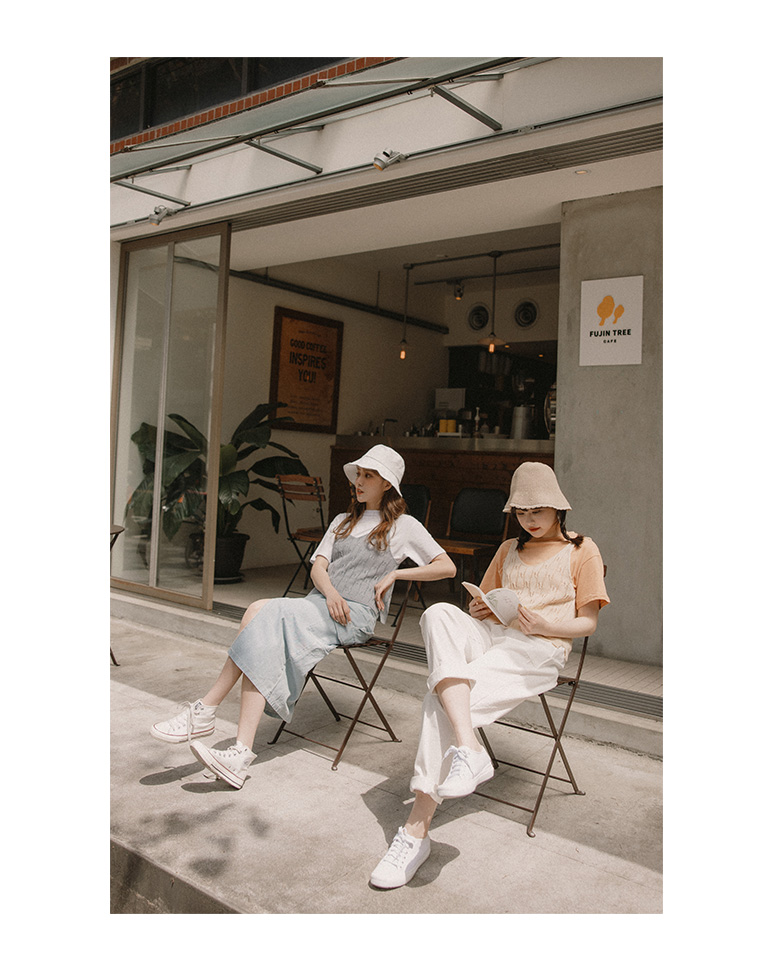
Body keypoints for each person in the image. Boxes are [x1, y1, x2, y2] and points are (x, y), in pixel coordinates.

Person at [150, 444, 455, 789]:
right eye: (358, 473)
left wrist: (397, 574)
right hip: (323, 603)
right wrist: (332, 593)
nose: (359, 481)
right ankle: (237, 749)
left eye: (369, 475)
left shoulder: (404, 526)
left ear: (387, 484)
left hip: (355, 615)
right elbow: (318, 568)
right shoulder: (342, 521)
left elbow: (446, 566)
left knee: (264, 614)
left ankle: (206, 713)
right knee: (257, 614)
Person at [369, 461, 609, 888]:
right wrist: (480, 609)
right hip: (493, 637)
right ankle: (469, 748)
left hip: (539, 649)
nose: (529, 520)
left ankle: (415, 832)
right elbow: (483, 603)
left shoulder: (582, 550)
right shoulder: (507, 549)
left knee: (440, 701)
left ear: (557, 508)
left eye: (537, 511)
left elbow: (587, 622)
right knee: (439, 613)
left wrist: (545, 625)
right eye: (521, 512)